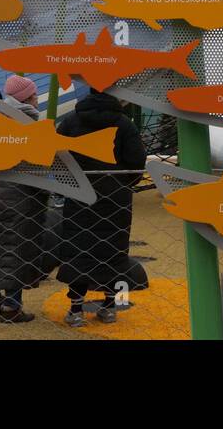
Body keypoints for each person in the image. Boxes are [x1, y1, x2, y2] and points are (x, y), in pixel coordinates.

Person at [56, 89, 148, 327]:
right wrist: (122, 184)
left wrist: (71, 183)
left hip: (80, 195)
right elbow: (137, 161)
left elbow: (56, 156)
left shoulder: (71, 121)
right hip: (115, 198)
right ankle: (108, 307)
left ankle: (75, 309)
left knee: (78, 251)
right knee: (113, 251)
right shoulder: (123, 123)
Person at [0, 75, 51, 324]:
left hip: (0, 190)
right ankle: (12, 305)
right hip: (23, 192)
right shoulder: (28, 119)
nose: (37, 98)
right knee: (19, 249)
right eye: (34, 95)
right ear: (26, 98)